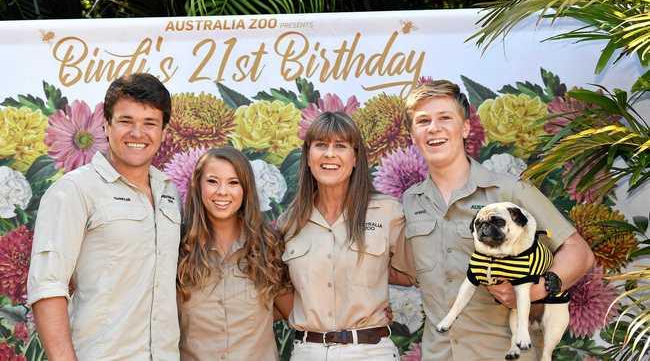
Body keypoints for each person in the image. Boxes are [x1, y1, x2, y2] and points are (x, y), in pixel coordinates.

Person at [401, 80, 595, 360]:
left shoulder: (511, 191)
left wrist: (536, 290)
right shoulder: (410, 201)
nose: (434, 128)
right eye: (423, 121)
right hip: (439, 354)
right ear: (412, 135)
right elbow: (405, 271)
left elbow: (579, 252)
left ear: (465, 127)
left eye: (445, 118)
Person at [27, 73, 182, 360]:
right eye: (126, 121)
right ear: (106, 125)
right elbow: (47, 286)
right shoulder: (74, 190)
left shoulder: (169, 194)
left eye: (150, 123)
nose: (138, 133)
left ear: (163, 132)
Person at [280, 112, 415, 361]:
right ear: (308, 157)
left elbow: (412, 273)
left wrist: (370, 294)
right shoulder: (289, 222)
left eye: (340, 146)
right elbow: (280, 288)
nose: (329, 154)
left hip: (371, 351)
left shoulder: (387, 211)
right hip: (308, 352)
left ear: (355, 158)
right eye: (321, 145)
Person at [177, 147, 292, 361]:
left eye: (233, 182)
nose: (222, 191)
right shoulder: (179, 249)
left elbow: (291, 312)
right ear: (197, 186)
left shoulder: (268, 247)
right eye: (212, 181)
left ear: (246, 189)